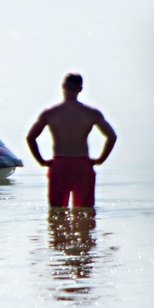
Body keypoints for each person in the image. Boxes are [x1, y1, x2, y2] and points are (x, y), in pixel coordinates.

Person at [26, 73, 117, 208]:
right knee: (85, 211)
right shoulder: (91, 113)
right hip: (82, 165)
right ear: (80, 89)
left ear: (63, 87)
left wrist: (42, 162)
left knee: (57, 210)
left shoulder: (51, 113)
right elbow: (111, 136)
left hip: (59, 165)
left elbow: (30, 137)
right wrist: (100, 160)